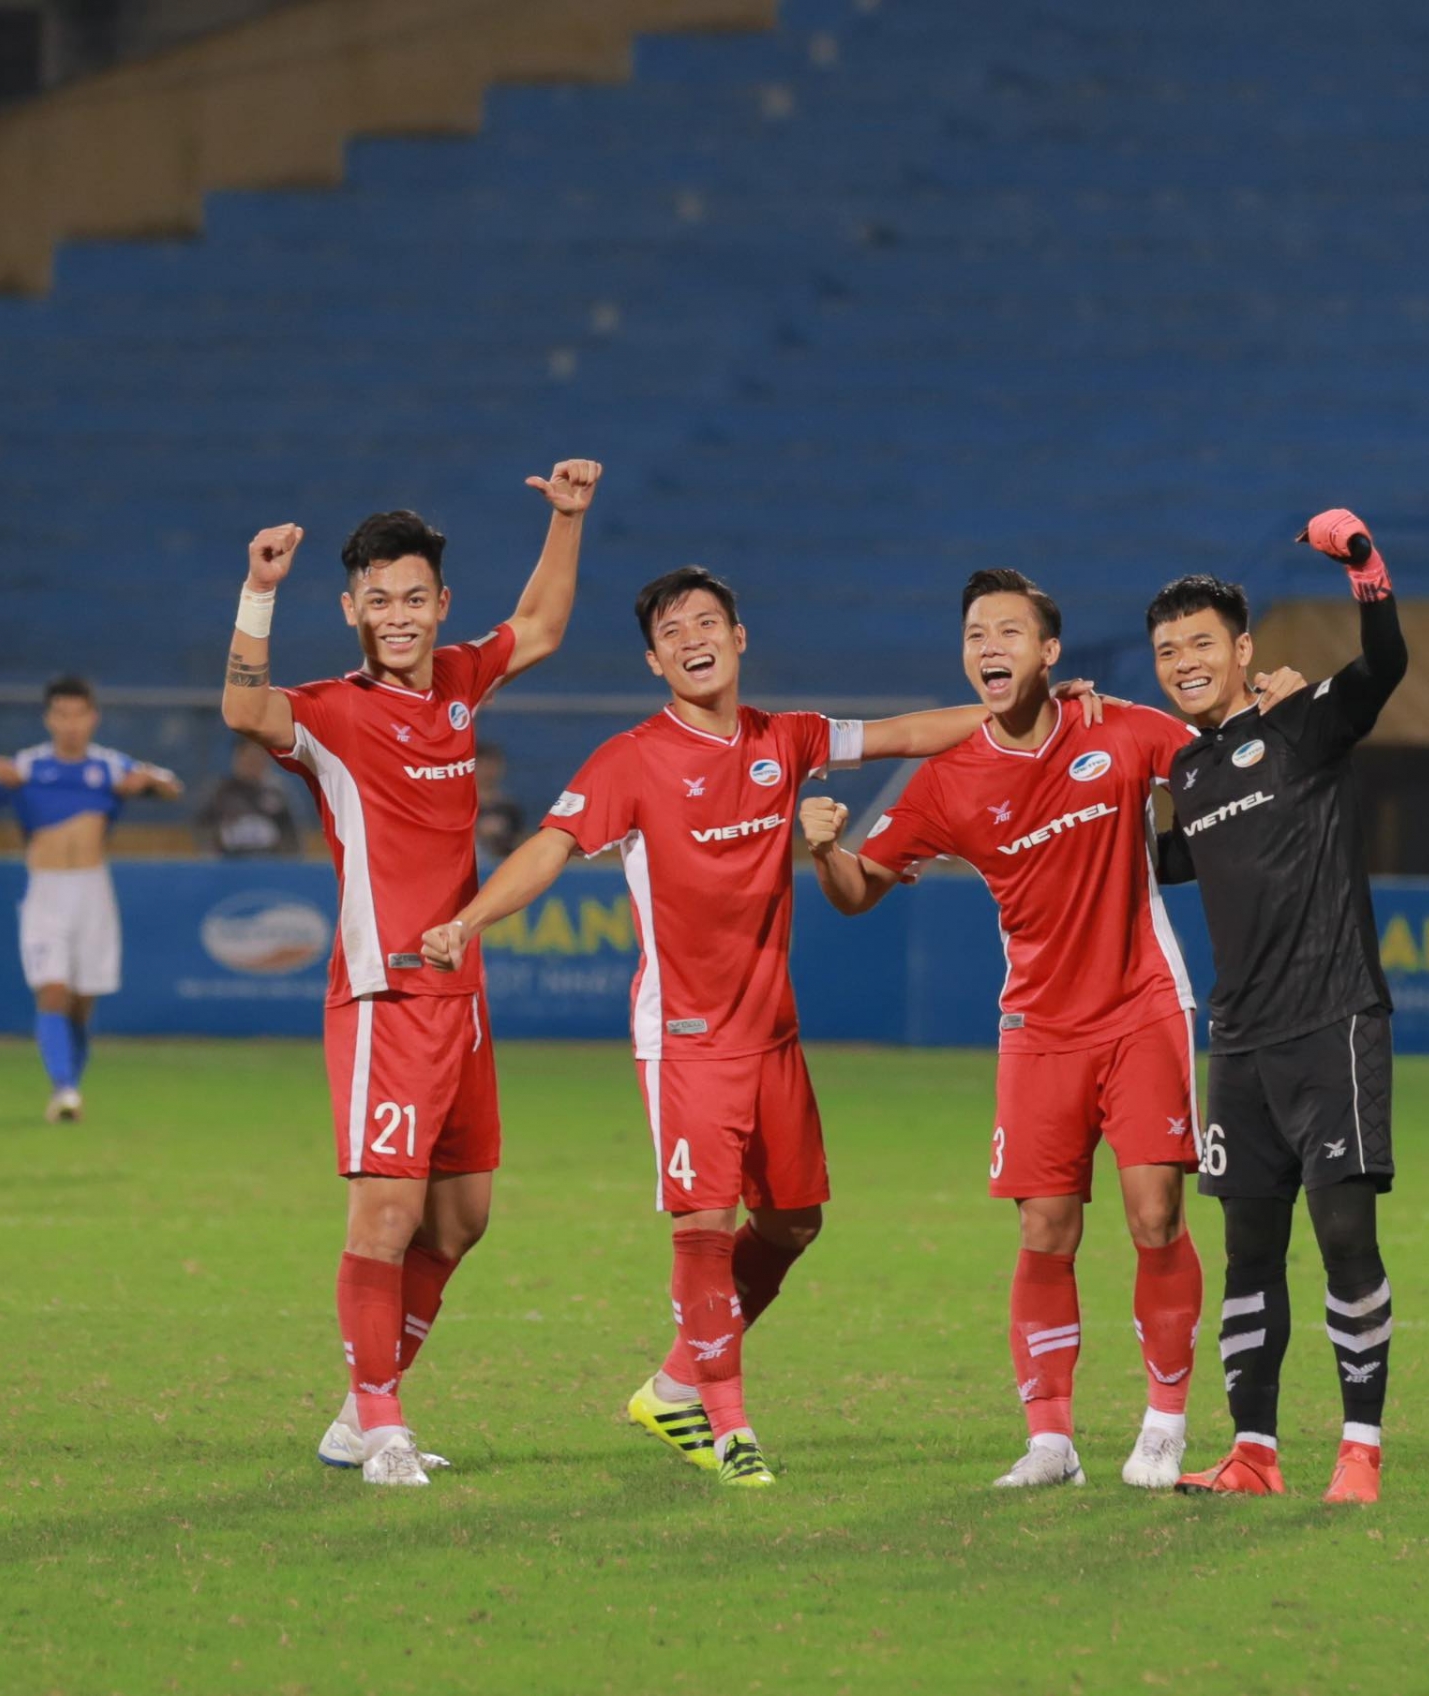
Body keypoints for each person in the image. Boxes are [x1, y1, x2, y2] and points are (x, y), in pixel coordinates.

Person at [419, 565, 1106, 1488]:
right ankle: (728, 1424)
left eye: (708, 621)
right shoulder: (629, 760)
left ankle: (673, 1383)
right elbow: (548, 847)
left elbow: (907, 733)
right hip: (689, 1037)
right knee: (704, 1226)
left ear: (739, 640)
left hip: (772, 1036)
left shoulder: (789, 738)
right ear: (654, 658)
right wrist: (467, 920)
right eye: (672, 630)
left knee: (792, 1223)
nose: (692, 638)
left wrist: (1033, 706)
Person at [795, 570, 1303, 1490]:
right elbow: (861, 892)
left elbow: (1224, 759)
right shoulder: (947, 783)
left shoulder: (1117, 730)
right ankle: (1050, 1441)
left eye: (1010, 632)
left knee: (1156, 1216)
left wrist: (1270, 705)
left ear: (1050, 652)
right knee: (1045, 1229)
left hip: (1144, 1005)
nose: (991, 647)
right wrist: (826, 851)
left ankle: (1163, 1422)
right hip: (1036, 1026)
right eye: (976, 635)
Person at [220, 459, 602, 1488]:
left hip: (461, 997)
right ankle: (383, 1424)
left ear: (441, 604)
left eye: (414, 598)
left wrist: (569, 518)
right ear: (350, 609)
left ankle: (358, 1410)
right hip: (386, 996)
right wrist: (260, 589)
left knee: (462, 1219)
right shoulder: (334, 713)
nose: (398, 616)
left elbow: (546, 623)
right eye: (378, 600)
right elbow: (244, 713)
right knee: (384, 1221)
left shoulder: (463, 684)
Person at [1148, 508, 1408, 1506]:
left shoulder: (1302, 724)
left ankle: (1359, 1447)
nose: (1183, 662)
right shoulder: (1188, 770)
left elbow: (1384, 666)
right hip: (1241, 1046)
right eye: (1167, 651)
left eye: (1201, 644)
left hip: (1333, 1019)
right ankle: (1252, 1450)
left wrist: (1364, 567)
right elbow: (1177, 858)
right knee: (1249, 1253)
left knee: (1345, 1237)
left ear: (1243, 649)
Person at [0, 676, 183, 1123]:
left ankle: (70, 1086)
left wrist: (147, 782)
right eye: (61, 714)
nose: (70, 724)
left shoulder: (108, 766)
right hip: (45, 889)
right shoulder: (28, 766)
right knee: (53, 990)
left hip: (92, 889)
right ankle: (63, 1090)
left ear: (92, 718)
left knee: (82, 1001)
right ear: (49, 718)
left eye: (78, 714)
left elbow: (171, 785)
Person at [195, 738, 302, 857]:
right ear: (236, 759)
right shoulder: (219, 792)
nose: (252, 763)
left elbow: (291, 835)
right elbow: (203, 828)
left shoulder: (278, 792)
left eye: (258, 758)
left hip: (269, 865)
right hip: (228, 865)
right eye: (247, 757)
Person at [472, 742, 525, 864]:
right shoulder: (457, 808)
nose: (487, 772)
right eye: (482, 766)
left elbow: (517, 842)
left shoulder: (509, 807)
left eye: (492, 766)